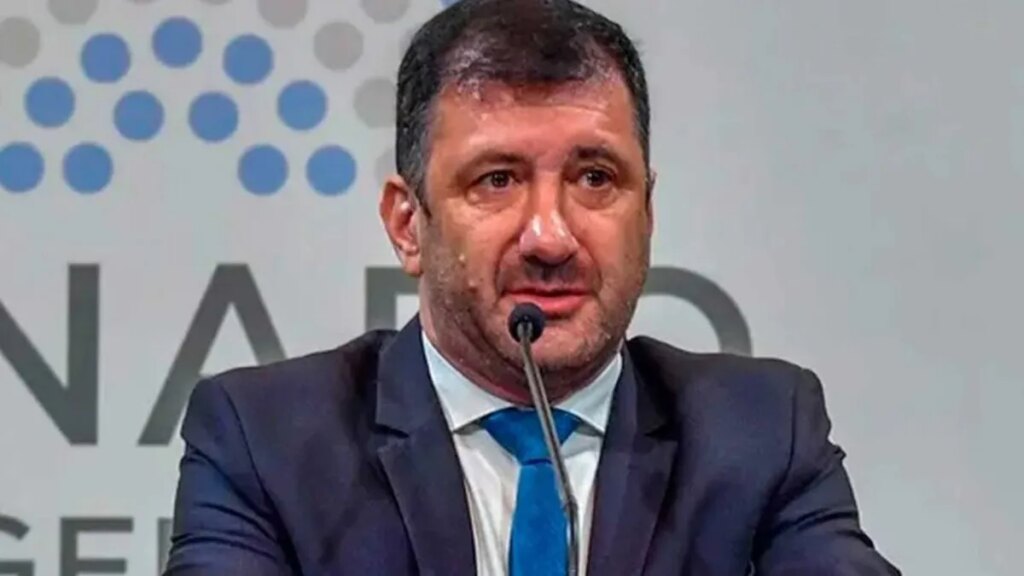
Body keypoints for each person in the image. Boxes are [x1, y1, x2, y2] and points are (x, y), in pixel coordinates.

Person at [164, 0, 900, 574]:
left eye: (595, 177)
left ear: (647, 212)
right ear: (407, 225)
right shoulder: (267, 442)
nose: (550, 236)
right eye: (497, 180)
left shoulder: (761, 433)